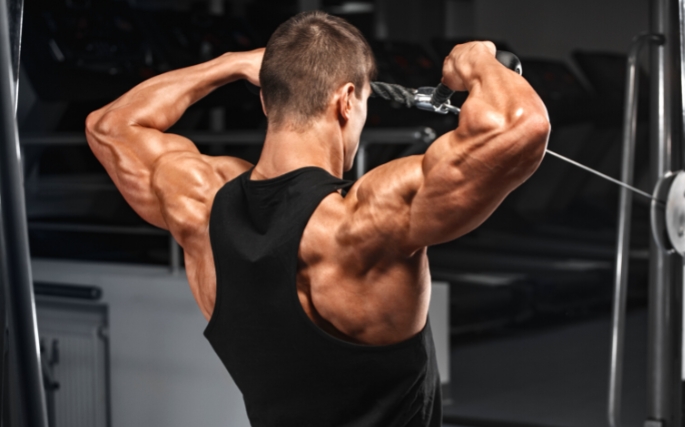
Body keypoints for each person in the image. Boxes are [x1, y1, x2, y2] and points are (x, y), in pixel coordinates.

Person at [85, 10, 549, 427]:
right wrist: (480, 61)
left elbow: (111, 126)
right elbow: (521, 125)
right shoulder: (366, 223)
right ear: (347, 101)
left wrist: (227, 64)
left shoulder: (199, 205)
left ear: (266, 101)